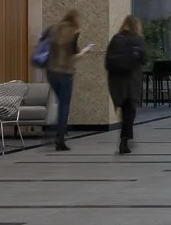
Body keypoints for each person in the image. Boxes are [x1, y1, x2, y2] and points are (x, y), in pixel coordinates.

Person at [34, 9, 92, 150]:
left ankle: (56, 129)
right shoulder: (73, 32)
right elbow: (73, 57)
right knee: (64, 105)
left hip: (51, 72)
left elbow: (40, 42)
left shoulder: (53, 29)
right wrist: (86, 50)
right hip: (65, 73)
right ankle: (60, 138)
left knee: (60, 102)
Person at [104, 14, 147, 154]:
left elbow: (107, 62)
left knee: (124, 110)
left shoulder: (116, 39)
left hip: (116, 81)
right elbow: (144, 58)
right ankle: (124, 139)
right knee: (130, 111)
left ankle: (125, 138)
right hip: (131, 80)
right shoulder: (138, 39)